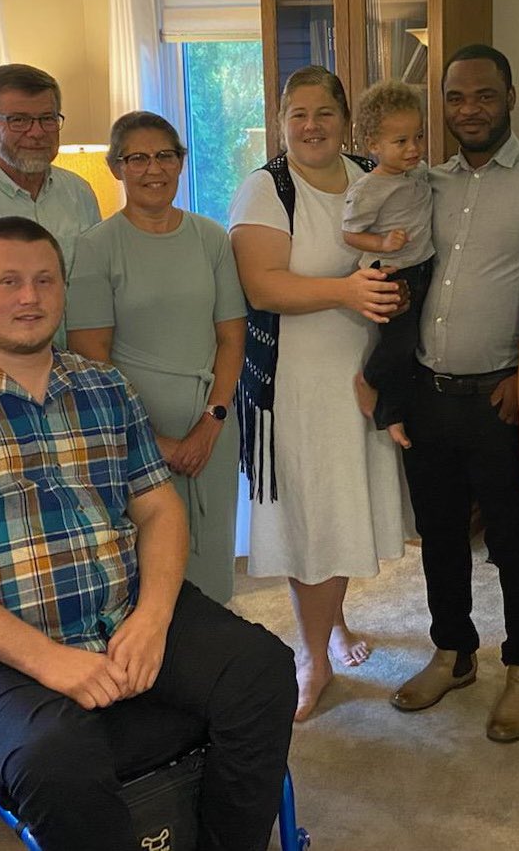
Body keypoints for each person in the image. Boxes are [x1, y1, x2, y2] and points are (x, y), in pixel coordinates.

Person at [0, 217, 296, 851]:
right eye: (9, 281)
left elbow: (159, 510)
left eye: (45, 280)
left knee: (263, 672)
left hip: (120, 612)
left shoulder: (105, 387)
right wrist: (48, 660)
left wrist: (152, 619)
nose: (29, 297)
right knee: (58, 755)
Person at [392, 44, 519, 743]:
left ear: (510, 98)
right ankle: (453, 652)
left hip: (503, 398)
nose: (469, 109)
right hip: (428, 392)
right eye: (455, 97)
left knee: (513, 541)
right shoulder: (424, 184)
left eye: (484, 95)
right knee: (439, 535)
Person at [229, 66, 407, 721]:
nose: (311, 126)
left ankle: (333, 622)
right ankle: (312, 657)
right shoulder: (265, 189)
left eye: (324, 113)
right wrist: (346, 291)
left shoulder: (369, 177)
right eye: (297, 114)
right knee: (310, 523)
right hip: (296, 387)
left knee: (342, 515)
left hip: (358, 378)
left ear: (345, 121)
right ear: (281, 124)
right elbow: (262, 285)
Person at [67, 110, 246, 605]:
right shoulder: (95, 247)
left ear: (180, 162)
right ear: (116, 168)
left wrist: (211, 421)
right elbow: (90, 360)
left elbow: (231, 337)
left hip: (213, 426)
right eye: (137, 158)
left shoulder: (211, 237)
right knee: (151, 573)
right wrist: (154, 442)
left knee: (212, 565)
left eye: (164, 156)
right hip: (132, 435)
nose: (153, 169)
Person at [0, 63, 100, 331]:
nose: (37, 132)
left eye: (47, 118)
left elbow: (95, 284)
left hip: (79, 352)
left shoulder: (79, 192)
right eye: (19, 120)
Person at [341, 79, 434, 448]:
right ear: (373, 145)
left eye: (418, 137)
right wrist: (381, 243)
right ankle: (369, 381)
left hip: (424, 267)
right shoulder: (368, 188)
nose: (413, 148)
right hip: (392, 274)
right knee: (399, 344)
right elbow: (350, 234)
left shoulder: (420, 172)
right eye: (401, 141)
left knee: (414, 346)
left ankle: (395, 415)